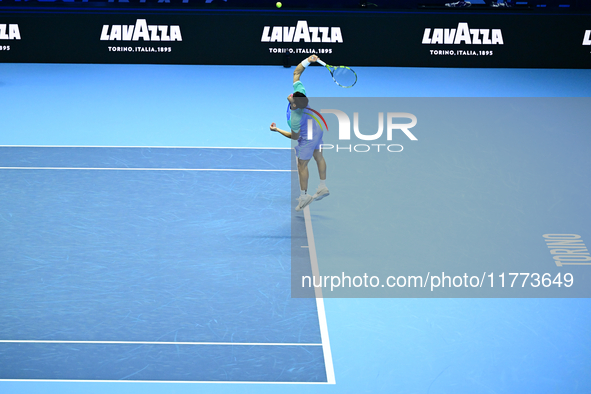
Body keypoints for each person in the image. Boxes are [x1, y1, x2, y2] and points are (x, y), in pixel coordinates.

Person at [270, 54, 329, 211]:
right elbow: (297, 72)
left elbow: (294, 136)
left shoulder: (295, 119)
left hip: (308, 137)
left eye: (292, 98)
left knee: (301, 164)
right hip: (317, 129)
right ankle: (323, 186)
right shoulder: (301, 94)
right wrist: (308, 61)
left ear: (295, 106)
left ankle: (304, 197)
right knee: (319, 156)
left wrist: (277, 130)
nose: (291, 95)